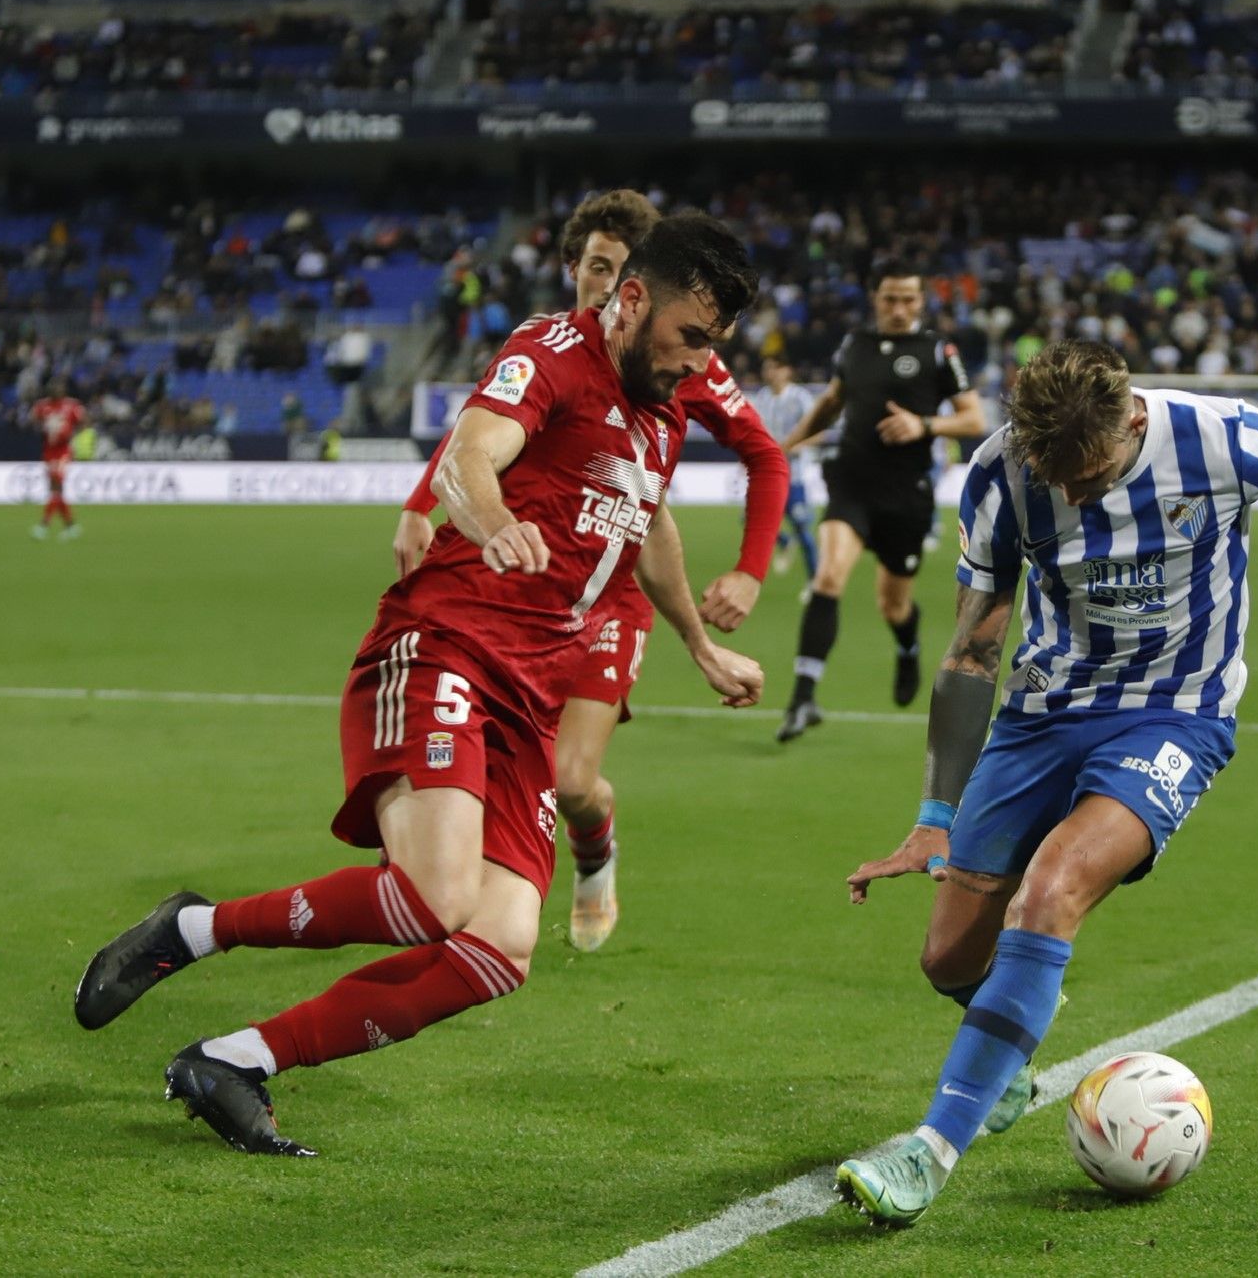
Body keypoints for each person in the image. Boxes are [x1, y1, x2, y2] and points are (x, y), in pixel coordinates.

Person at [72, 215, 765, 1156]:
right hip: (446, 645)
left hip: (531, 690)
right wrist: (492, 523)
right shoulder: (552, 351)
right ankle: (193, 927)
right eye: (693, 335)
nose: (699, 360)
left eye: (713, 343)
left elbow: (647, 528)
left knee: (502, 943)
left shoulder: (662, 407)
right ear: (632, 299)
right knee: (438, 893)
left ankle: (236, 1058)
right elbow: (468, 457)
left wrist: (697, 644)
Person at [832, 340, 1258, 1225]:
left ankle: (929, 1151)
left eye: (1091, 475)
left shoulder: (1222, 436)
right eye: (1057, 476)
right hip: (1041, 715)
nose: (1073, 493)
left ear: (1132, 422)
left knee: (1053, 889)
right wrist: (932, 816)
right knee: (948, 957)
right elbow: (973, 647)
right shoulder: (1003, 470)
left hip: (1174, 713)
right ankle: (1005, 1055)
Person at [393, 189, 787, 952]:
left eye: (617, 268)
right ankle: (438, 872)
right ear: (575, 267)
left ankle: (592, 848)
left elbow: (734, 468)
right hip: (531, 595)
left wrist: (745, 575)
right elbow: (483, 433)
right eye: (592, 266)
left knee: (571, 781)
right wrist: (421, 502)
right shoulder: (551, 345)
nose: (603, 284)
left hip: (611, 597)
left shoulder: (680, 357)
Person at [775, 261, 985, 742]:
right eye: (890, 298)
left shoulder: (937, 350)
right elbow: (832, 401)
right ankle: (803, 697)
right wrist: (784, 447)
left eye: (908, 299)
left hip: (904, 495)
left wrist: (923, 425)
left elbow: (973, 418)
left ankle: (908, 647)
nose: (898, 308)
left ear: (921, 301)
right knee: (828, 576)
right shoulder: (855, 345)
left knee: (893, 605)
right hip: (851, 483)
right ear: (875, 298)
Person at [747, 350, 821, 580]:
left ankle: (814, 581)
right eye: (767, 368)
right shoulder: (762, 397)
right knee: (750, 517)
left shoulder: (801, 397)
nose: (770, 373)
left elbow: (818, 433)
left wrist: (793, 446)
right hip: (768, 473)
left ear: (787, 371)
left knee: (801, 525)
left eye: (775, 368)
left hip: (794, 475)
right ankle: (785, 541)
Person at [29, 388, 87, 540]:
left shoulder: (71, 405)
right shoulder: (43, 406)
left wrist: (71, 434)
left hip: (62, 451)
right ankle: (71, 526)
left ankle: (43, 525)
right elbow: (32, 419)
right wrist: (41, 428)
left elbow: (83, 421)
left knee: (56, 488)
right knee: (56, 491)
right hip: (48, 451)